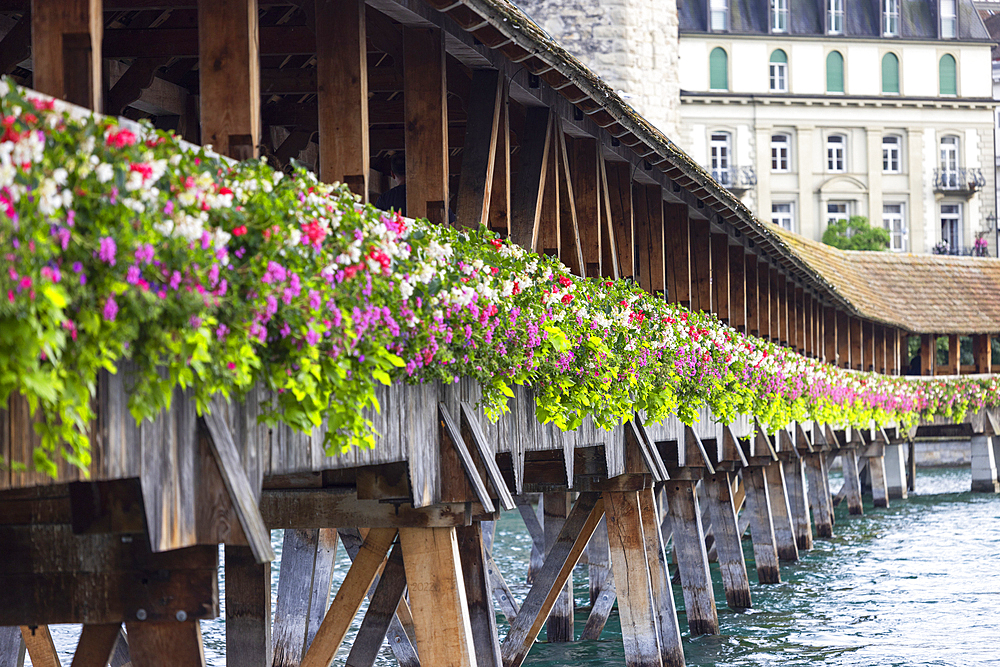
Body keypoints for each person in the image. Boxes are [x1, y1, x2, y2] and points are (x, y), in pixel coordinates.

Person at [374, 153, 456, 223]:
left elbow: (377, 223)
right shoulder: (431, 196)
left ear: (392, 174)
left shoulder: (384, 199)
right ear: (414, 171)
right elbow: (452, 224)